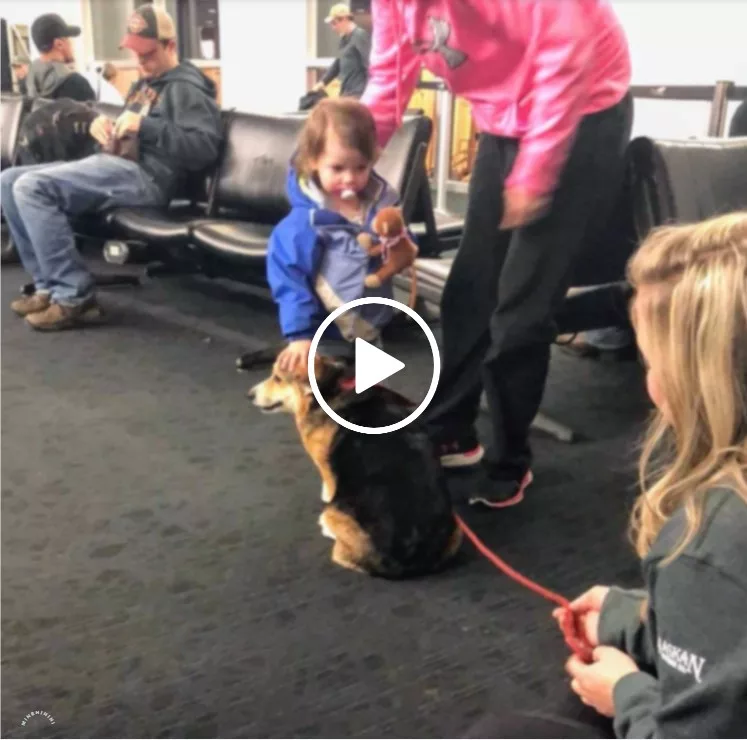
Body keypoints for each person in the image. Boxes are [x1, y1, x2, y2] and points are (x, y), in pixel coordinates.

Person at [468, 212, 747, 737]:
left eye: (651, 362)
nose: (651, 384)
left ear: (701, 379)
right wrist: (632, 617)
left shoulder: (712, 543)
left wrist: (628, 696)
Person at [361, 0, 633, 507]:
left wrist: (534, 174)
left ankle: (510, 460)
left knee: (521, 310)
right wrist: (354, 155)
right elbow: (389, 71)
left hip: (580, 111)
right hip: (502, 121)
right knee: (470, 291)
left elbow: (562, 62)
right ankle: (452, 432)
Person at [1, 3, 223, 331]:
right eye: (135, 52)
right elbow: (131, 125)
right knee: (8, 180)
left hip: (148, 177)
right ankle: (48, 285)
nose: (139, 61)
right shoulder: (148, 83)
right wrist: (102, 126)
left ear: (170, 46)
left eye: (147, 54)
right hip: (117, 165)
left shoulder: (186, 89)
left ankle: (74, 296)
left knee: (32, 187)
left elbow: (203, 149)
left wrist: (144, 127)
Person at [267, 98, 402, 373]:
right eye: (338, 168)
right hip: (323, 333)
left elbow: (402, 245)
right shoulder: (304, 223)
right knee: (325, 405)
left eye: (361, 168)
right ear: (313, 161)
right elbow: (290, 278)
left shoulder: (378, 204)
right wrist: (300, 334)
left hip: (369, 327)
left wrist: (399, 242)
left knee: (368, 401)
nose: (350, 179)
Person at [24, 13, 95, 101]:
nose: (71, 45)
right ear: (59, 44)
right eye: (69, 39)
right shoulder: (77, 84)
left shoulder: (28, 82)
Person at [312, 4, 371, 100]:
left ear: (344, 19)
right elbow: (338, 64)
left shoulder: (360, 36)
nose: (333, 28)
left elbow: (369, 65)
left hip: (358, 94)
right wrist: (322, 82)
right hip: (346, 92)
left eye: (334, 23)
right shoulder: (344, 40)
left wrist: (370, 92)